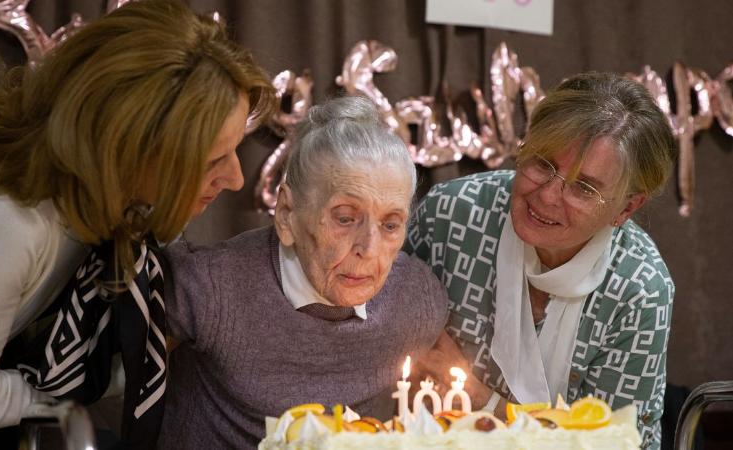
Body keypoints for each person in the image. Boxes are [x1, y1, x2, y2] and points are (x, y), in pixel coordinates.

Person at [0, 0, 275, 447]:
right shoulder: (4, 213)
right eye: (213, 159)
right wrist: (76, 385)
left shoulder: (115, 198)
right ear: (130, 145)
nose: (236, 178)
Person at [156, 95, 449, 449]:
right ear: (287, 215)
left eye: (390, 225)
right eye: (344, 218)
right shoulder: (209, 287)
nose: (369, 249)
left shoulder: (418, 301)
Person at [405, 72, 676, 450]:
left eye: (584, 187)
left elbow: (619, 444)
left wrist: (486, 403)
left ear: (627, 208)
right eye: (542, 163)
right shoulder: (451, 216)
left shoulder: (639, 291)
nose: (548, 196)